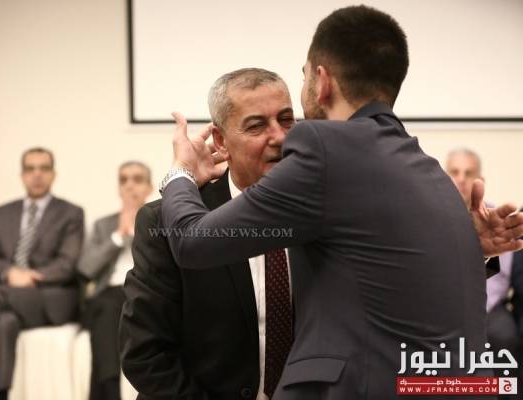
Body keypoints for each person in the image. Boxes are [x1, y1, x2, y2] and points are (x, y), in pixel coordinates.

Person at [159, 5, 523, 399]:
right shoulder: (425, 166)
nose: (279, 137)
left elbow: (191, 241)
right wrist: (467, 248)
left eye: (303, 77)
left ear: (321, 81)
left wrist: (180, 172)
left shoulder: (323, 148)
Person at [121, 68, 295, 399]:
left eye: (286, 120)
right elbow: (146, 355)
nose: (280, 137)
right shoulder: (166, 222)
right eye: (256, 125)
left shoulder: (322, 211)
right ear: (220, 141)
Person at [0, 147, 84, 400]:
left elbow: (67, 264)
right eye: (30, 169)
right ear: (22, 175)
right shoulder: (1, 213)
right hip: (11, 295)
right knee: (4, 322)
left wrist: (29, 276)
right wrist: (10, 274)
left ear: (53, 174)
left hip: (50, 298)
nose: (37, 174)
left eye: (44, 168)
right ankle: (2, 395)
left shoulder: (71, 213)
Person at [445, 148, 520, 390]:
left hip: (489, 306)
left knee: (504, 336)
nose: (461, 179)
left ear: (481, 181)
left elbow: (506, 278)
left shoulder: (497, 218)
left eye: (469, 173)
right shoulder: (428, 217)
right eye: (454, 172)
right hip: (442, 307)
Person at [78, 161, 152, 400]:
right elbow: (86, 269)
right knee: (107, 306)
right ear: (118, 188)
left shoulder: (160, 219)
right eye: (124, 180)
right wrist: (119, 235)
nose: (130, 185)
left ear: (149, 187)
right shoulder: (103, 225)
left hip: (146, 290)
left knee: (116, 307)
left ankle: (106, 392)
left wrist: (138, 228)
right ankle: (111, 389)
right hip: (109, 294)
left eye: (137, 179)